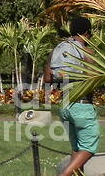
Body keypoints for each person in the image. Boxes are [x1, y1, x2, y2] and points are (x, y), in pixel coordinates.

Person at [44, 17, 99, 176]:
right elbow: (92, 78)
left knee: (77, 149)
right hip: (82, 106)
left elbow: (48, 78)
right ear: (87, 32)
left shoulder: (58, 49)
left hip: (64, 106)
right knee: (89, 147)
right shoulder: (87, 51)